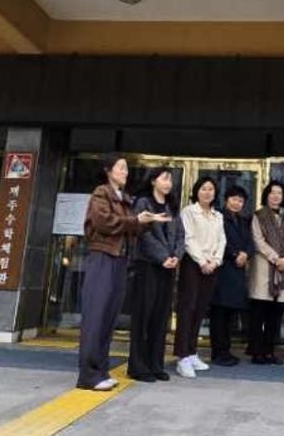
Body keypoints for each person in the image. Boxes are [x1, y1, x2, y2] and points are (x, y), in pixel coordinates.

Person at [77, 154, 169, 391]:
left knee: (109, 317)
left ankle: (101, 371)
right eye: (121, 168)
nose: (125, 172)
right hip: (103, 256)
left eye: (126, 168)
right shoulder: (101, 193)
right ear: (108, 170)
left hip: (120, 259)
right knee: (96, 316)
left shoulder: (124, 198)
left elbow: (129, 228)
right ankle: (88, 375)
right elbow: (104, 222)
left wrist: (146, 221)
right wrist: (135, 220)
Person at [128, 167, 184, 383]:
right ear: (153, 181)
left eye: (170, 179)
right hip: (148, 266)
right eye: (164, 178)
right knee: (144, 316)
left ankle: (155, 364)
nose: (168, 183)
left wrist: (176, 256)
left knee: (161, 317)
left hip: (168, 268)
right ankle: (138, 366)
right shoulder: (143, 203)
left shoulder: (172, 206)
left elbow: (181, 235)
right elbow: (144, 235)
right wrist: (163, 257)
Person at [174, 177, 226, 378]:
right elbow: (188, 238)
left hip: (211, 266)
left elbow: (222, 240)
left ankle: (192, 351)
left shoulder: (217, 216)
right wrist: (202, 261)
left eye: (211, 189)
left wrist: (215, 261)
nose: (207, 192)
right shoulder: (188, 212)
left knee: (200, 309)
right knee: (187, 309)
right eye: (203, 188)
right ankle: (182, 356)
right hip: (193, 265)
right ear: (196, 191)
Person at [248, 180, 284, 365]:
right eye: (272, 192)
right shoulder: (258, 216)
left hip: (282, 271)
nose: (276, 196)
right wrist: (276, 258)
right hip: (264, 270)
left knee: (275, 316)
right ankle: (256, 352)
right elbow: (258, 241)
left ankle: (269, 351)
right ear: (266, 195)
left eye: (279, 193)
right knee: (259, 313)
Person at [209, 185, 255, 367]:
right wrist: (235, 254)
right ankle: (218, 352)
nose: (237, 203)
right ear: (226, 199)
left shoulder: (243, 220)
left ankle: (226, 350)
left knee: (230, 315)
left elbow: (250, 242)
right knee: (219, 314)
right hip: (222, 269)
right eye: (234, 199)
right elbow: (218, 240)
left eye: (241, 201)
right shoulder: (218, 217)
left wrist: (246, 254)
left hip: (237, 272)